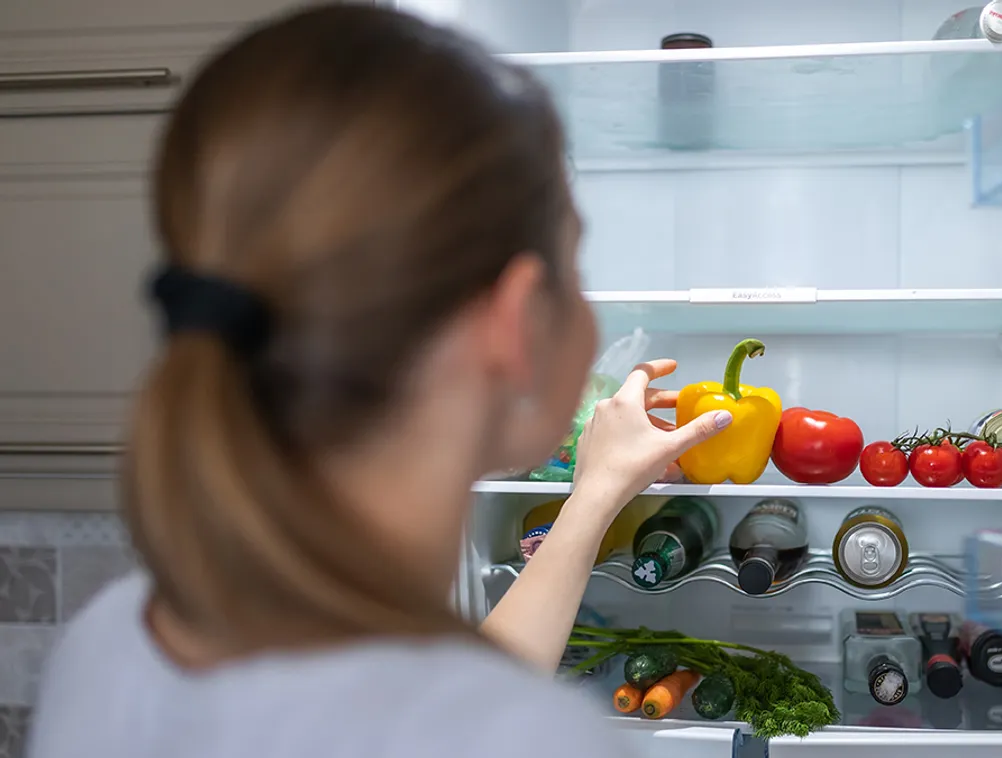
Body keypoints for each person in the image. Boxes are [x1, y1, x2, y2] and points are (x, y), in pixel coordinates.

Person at [26, 6, 732, 757]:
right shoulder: (532, 737)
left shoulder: (110, 639)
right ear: (517, 320)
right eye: (572, 262)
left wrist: (593, 497)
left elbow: (449, 696)